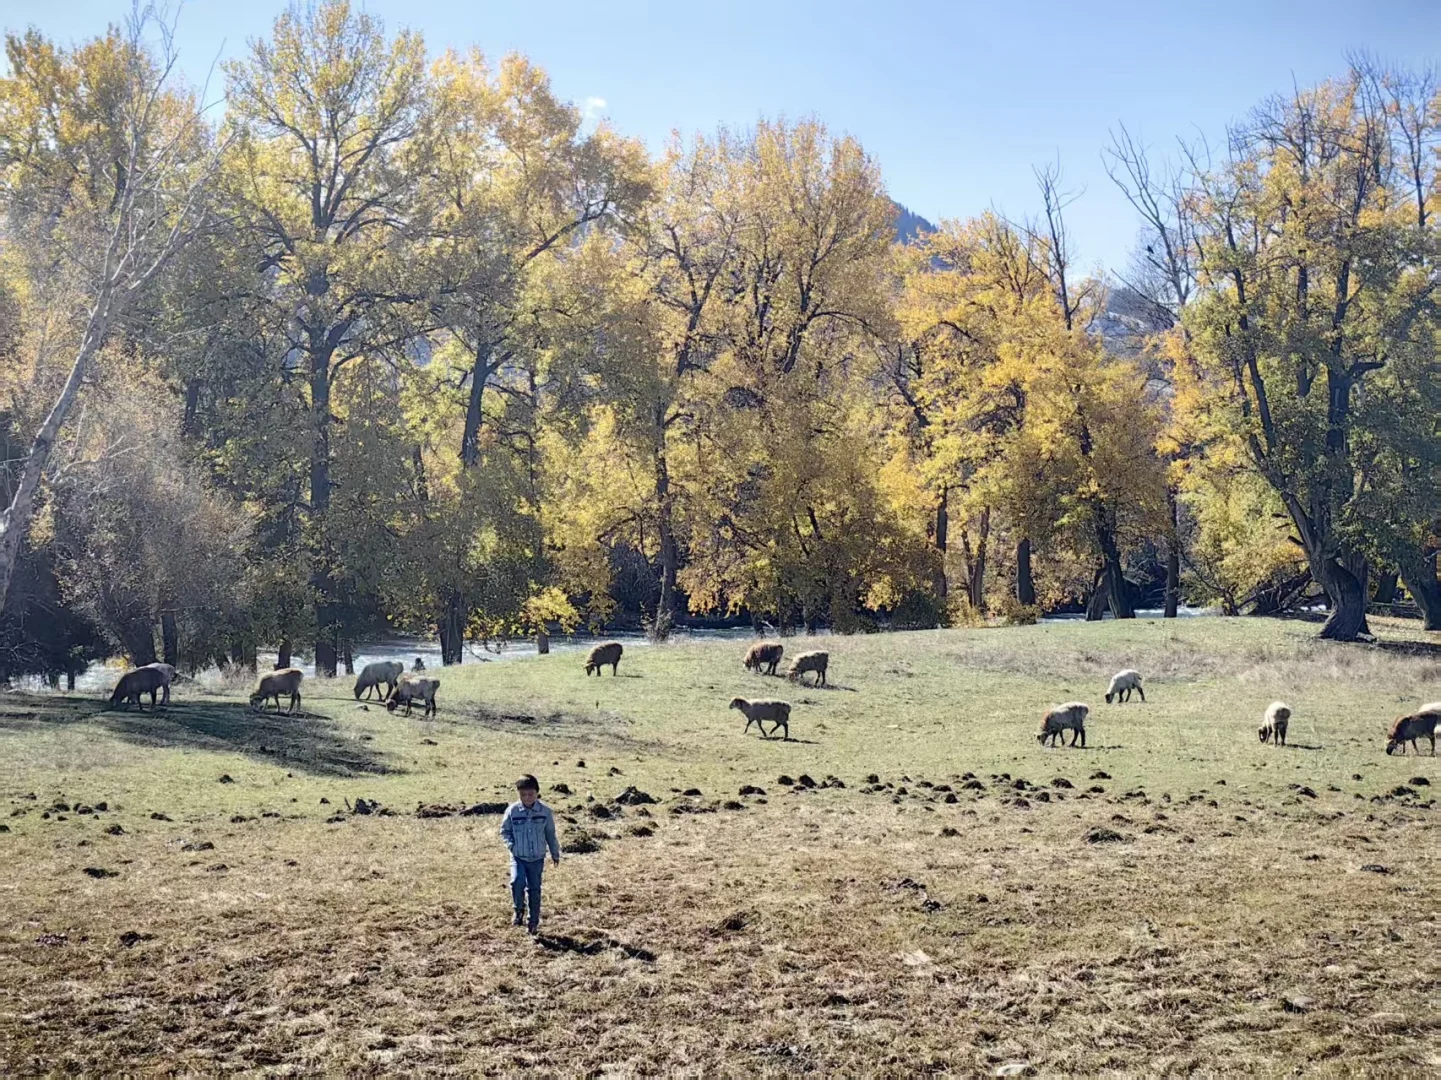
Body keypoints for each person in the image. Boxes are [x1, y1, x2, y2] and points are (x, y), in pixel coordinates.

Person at [499, 774, 560, 934]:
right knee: (516, 881)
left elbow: (550, 834)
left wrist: (555, 853)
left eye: (531, 794)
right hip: (518, 857)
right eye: (523, 794)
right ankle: (518, 909)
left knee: (534, 889)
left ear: (537, 792)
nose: (527, 798)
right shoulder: (512, 811)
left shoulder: (545, 811)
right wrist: (512, 846)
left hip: (537, 858)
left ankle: (533, 922)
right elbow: (505, 831)